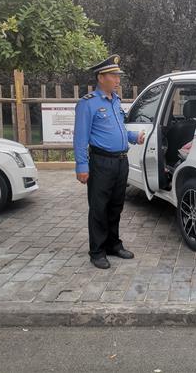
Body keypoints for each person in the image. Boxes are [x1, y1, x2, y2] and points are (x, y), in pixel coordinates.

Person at [73, 54, 145, 269]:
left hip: (121, 162)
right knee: (99, 208)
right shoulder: (88, 103)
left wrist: (134, 137)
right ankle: (97, 251)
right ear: (101, 77)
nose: (118, 80)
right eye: (114, 75)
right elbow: (80, 138)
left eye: (118, 76)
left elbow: (119, 129)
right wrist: (82, 166)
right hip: (101, 163)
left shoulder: (115, 101)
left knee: (116, 206)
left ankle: (113, 245)